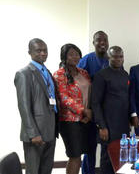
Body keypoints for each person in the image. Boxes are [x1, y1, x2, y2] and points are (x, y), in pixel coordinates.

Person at [14, 38, 58, 174]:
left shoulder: (47, 72)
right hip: (35, 134)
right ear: (30, 52)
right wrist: (33, 133)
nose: (43, 53)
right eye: (39, 50)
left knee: (46, 169)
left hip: (50, 130)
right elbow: (24, 106)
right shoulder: (24, 74)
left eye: (45, 50)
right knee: (33, 171)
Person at [53, 44, 92, 174]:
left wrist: (89, 113)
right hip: (69, 121)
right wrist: (83, 110)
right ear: (64, 57)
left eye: (77, 54)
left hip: (85, 120)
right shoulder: (59, 74)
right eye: (71, 54)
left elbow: (90, 93)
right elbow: (63, 98)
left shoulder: (84, 73)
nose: (75, 57)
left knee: (79, 154)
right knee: (74, 156)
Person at [92, 46, 130, 174]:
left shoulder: (125, 75)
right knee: (107, 158)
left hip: (123, 126)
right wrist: (101, 126)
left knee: (122, 158)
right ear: (108, 57)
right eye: (115, 56)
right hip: (108, 126)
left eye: (121, 56)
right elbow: (95, 103)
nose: (118, 59)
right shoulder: (101, 75)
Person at [77, 31, 109, 174]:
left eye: (105, 40)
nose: (102, 42)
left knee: (106, 148)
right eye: (99, 40)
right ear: (93, 43)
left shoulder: (112, 59)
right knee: (90, 149)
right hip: (90, 112)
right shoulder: (86, 60)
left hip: (107, 113)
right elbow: (77, 83)